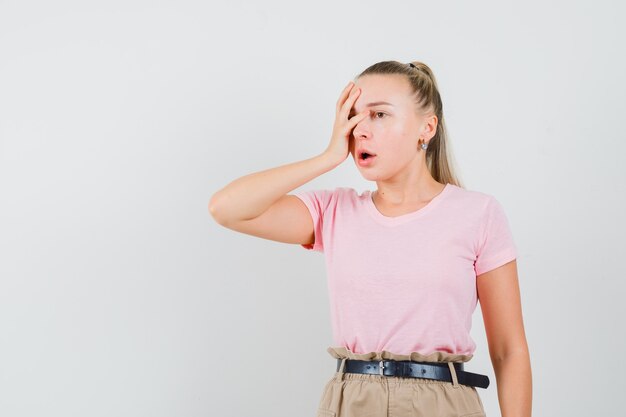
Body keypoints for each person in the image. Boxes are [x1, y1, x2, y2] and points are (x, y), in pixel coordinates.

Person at [208, 60, 532, 417]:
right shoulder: (334, 211)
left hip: (443, 404)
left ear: (427, 127)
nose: (361, 128)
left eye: (379, 114)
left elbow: (508, 350)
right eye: (354, 115)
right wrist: (328, 157)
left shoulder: (478, 214)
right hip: (352, 401)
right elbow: (227, 208)